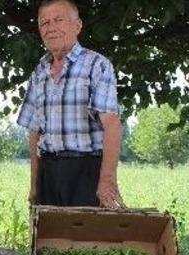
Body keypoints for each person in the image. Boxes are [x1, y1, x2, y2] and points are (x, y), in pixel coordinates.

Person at [17, 0, 125, 208]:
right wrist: (34, 186)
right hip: (48, 172)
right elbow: (34, 132)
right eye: (44, 22)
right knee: (47, 230)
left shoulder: (97, 65)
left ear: (77, 25)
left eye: (59, 20)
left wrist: (107, 181)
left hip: (86, 172)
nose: (51, 28)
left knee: (86, 230)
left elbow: (112, 125)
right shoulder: (39, 72)